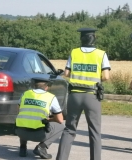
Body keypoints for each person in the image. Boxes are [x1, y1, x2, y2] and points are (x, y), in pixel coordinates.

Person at [56, 28, 111, 160]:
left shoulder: (74, 52)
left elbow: (67, 74)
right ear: (94, 38)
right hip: (92, 95)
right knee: (95, 131)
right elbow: (106, 76)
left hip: (74, 95)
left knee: (69, 129)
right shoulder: (101, 54)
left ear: (82, 39)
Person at [15, 77, 65, 159]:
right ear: (46, 87)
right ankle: (42, 147)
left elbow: (18, 111)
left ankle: (23, 148)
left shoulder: (25, 94)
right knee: (61, 126)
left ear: (34, 86)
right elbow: (60, 119)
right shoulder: (50, 97)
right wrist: (50, 119)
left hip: (20, 132)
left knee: (24, 120)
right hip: (39, 135)